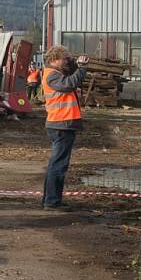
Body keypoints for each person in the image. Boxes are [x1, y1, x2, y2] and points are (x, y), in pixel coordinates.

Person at [41, 45, 89, 211]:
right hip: (61, 124)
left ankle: (51, 200)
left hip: (62, 123)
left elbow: (71, 76)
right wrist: (81, 69)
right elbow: (69, 84)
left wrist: (76, 65)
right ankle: (52, 202)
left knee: (57, 163)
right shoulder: (52, 75)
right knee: (58, 165)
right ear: (54, 59)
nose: (66, 62)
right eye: (64, 59)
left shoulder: (57, 73)